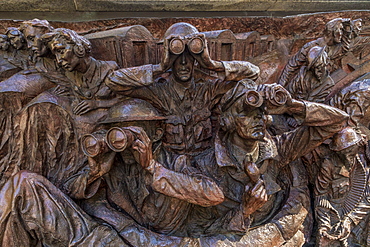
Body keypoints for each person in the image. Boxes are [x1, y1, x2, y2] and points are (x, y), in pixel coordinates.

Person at [187, 81, 349, 245]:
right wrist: (244, 211)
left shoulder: (278, 149)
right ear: (228, 121)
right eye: (247, 114)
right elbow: (198, 229)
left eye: (260, 113)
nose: (258, 119)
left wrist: (291, 106)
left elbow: (337, 121)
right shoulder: (206, 166)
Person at [105, 22, 260, 157]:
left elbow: (253, 74)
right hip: (170, 165)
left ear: (196, 60)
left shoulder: (208, 90)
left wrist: (211, 64)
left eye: (190, 57)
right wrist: (160, 67)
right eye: (177, 58)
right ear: (169, 58)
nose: (184, 63)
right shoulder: (159, 92)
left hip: (204, 163)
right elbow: (113, 81)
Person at [315, 127, 370, 247]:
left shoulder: (364, 163)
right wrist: (324, 224)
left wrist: (350, 220)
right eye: (343, 152)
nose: (347, 155)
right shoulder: (328, 165)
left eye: (351, 150)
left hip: (358, 216)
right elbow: (321, 195)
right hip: (333, 214)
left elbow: (368, 197)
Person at [278, 18, 350, 87]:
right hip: (303, 86)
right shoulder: (310, 46)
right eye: (340, 29)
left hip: (322, 87)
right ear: (333, 32)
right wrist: (280, 86)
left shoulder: (336, 48)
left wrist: (347, 27)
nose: (341, 34)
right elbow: (291, 66)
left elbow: (346, 47)